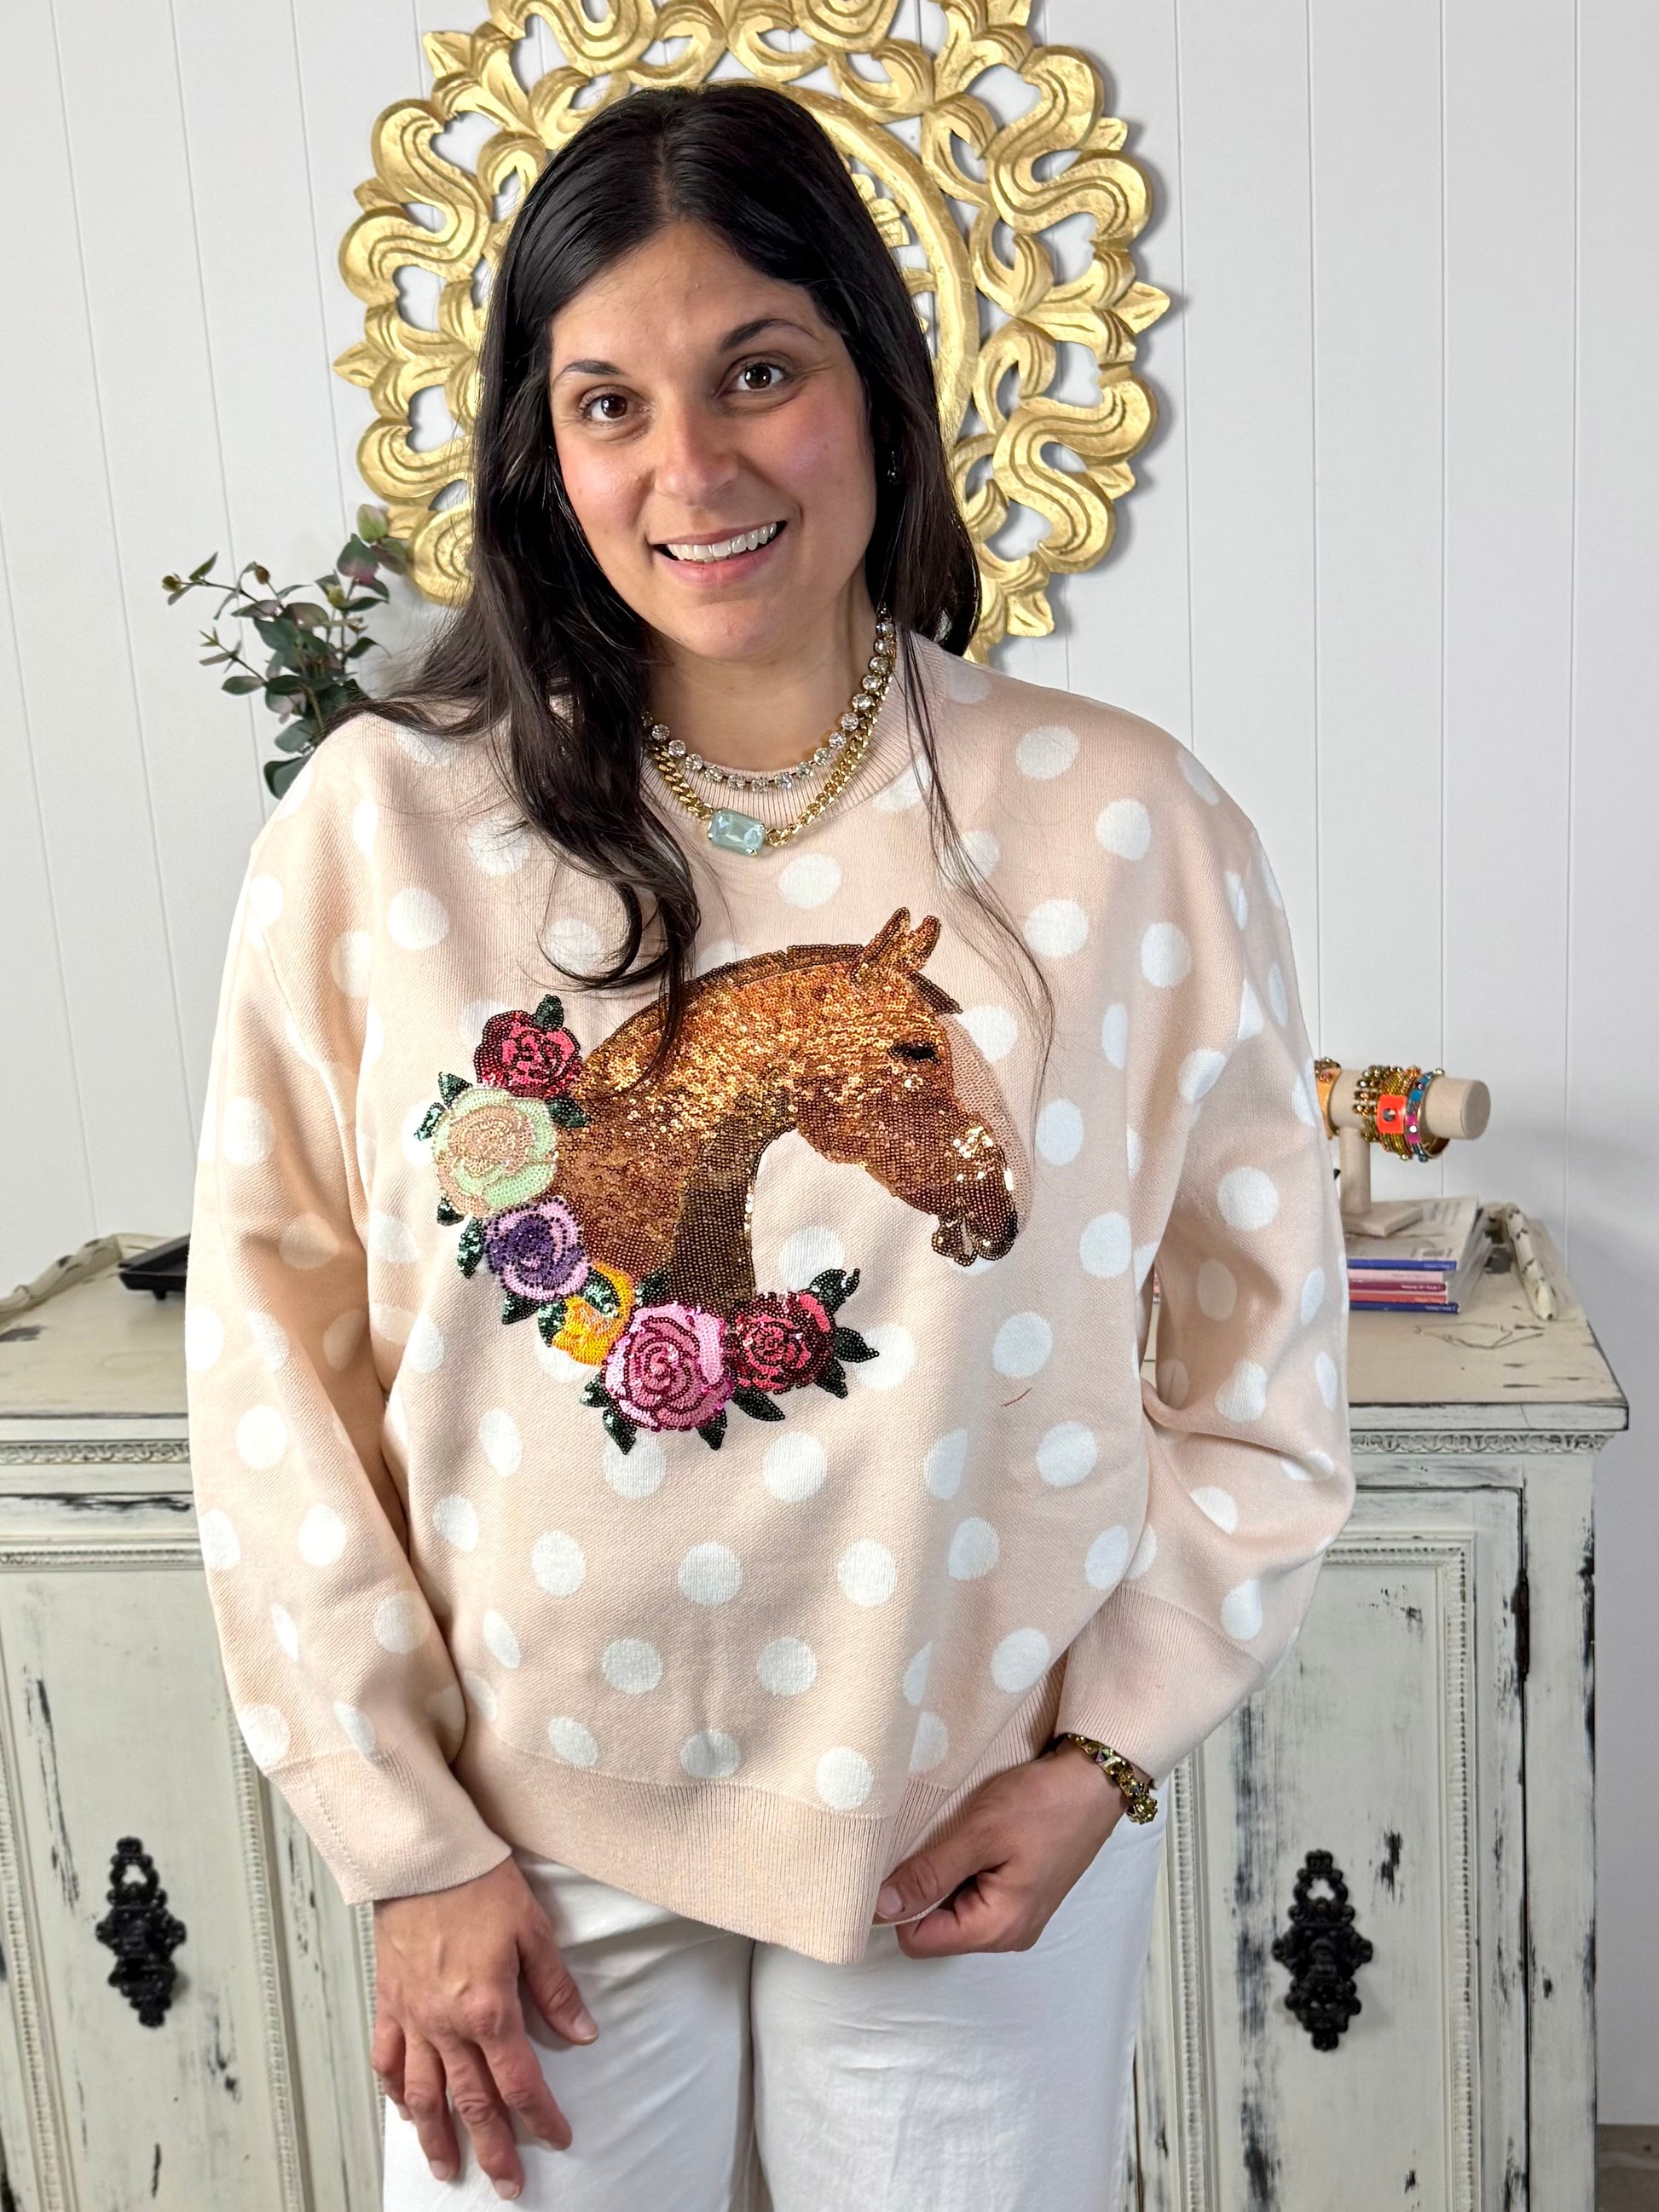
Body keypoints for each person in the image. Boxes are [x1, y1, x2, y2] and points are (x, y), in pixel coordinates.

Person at [186, 80, 1352, 2211]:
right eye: (608, 402)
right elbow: (271, 1359)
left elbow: (1261, 1362)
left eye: (756, 373)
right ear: (543, 451)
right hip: (518, 1835)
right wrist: (402, 1835)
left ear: (878, 389)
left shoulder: (1122, 826)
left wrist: (1105, 1752)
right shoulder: (382, 826)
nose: (692, 470)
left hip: (959, 1804)